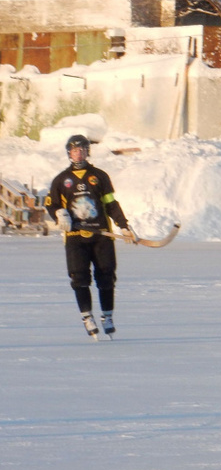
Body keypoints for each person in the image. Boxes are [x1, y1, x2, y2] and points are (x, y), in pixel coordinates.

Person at [45, 134, 138, 339]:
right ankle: (87, 316)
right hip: (75, 236)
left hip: (101, 235)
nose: (78, 153)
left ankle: (107, 316)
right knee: (79, 278)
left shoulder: (100, 176)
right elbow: (52, 204)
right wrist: (59, 214)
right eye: (74, 150)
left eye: (82, 149)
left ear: (88, 151)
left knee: (106, 276)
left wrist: (123, 226)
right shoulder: (61, 180)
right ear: (69, 153)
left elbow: (111, 203)